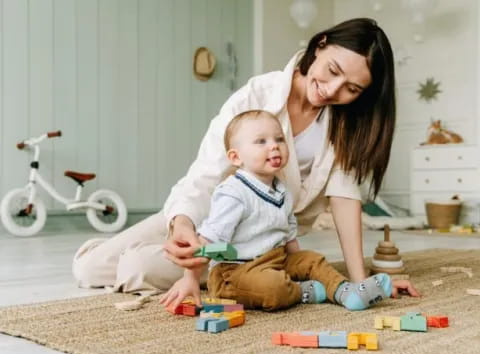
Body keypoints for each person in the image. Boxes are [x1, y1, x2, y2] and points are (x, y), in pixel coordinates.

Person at [72, 18, 420, 300]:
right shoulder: (258, 94)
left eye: (351, 89)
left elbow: (345, 199)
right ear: (321, 44)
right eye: (332, 70)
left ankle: (242, 272)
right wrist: (182, 225)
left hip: (259, 240)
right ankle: (186, 255)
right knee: (89, 268)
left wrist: (360, 281)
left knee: (137, 268)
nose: (332, 89)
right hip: (212, 211)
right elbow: (206, 173)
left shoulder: (346, 126)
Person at [160, 110, 396, 311]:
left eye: (279, 139)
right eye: (261, 141)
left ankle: (347, 292)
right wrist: (189, 278)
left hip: (275, 258)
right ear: (236, 157)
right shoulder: (233, 193)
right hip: (235, 272)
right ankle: (302, 292)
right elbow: (209, 241)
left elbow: (288, 233)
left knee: (314, 260)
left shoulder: (281, 189)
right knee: (274, 288)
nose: (274, 146)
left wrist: (299, 265)